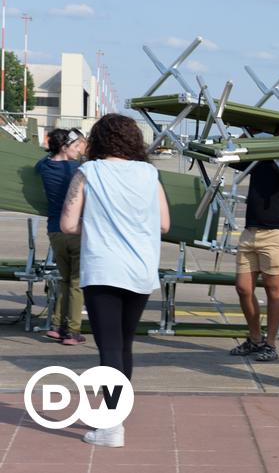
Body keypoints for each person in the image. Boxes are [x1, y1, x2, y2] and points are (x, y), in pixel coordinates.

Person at [60, 114, 170, 448]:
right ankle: (115, 417)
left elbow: (67, 224)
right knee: (124, 344)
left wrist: (97, 228)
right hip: (140, 270)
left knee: (108, 347)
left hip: (104, 268)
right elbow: (164, 224)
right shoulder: (150, 173)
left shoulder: (88, 172)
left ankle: (111, 426)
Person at [228, 116, 279, 362]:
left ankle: (270, 343)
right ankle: (255, 338)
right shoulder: (259, 161)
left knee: (274, 290)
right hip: (250, 231)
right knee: (243, 288)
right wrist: (248, 131)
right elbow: (233, 156)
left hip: (275, 235)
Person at [36, 128, 87, 344]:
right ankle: (73, 331)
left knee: (63, 279)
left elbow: (41, 161)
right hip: (76, 230)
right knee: (76, 282)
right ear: (65, 147)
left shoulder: (44, 167)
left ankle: (57, 326)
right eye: (75, 147)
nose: (78, 151)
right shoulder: (79, 170)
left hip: (54, 231)